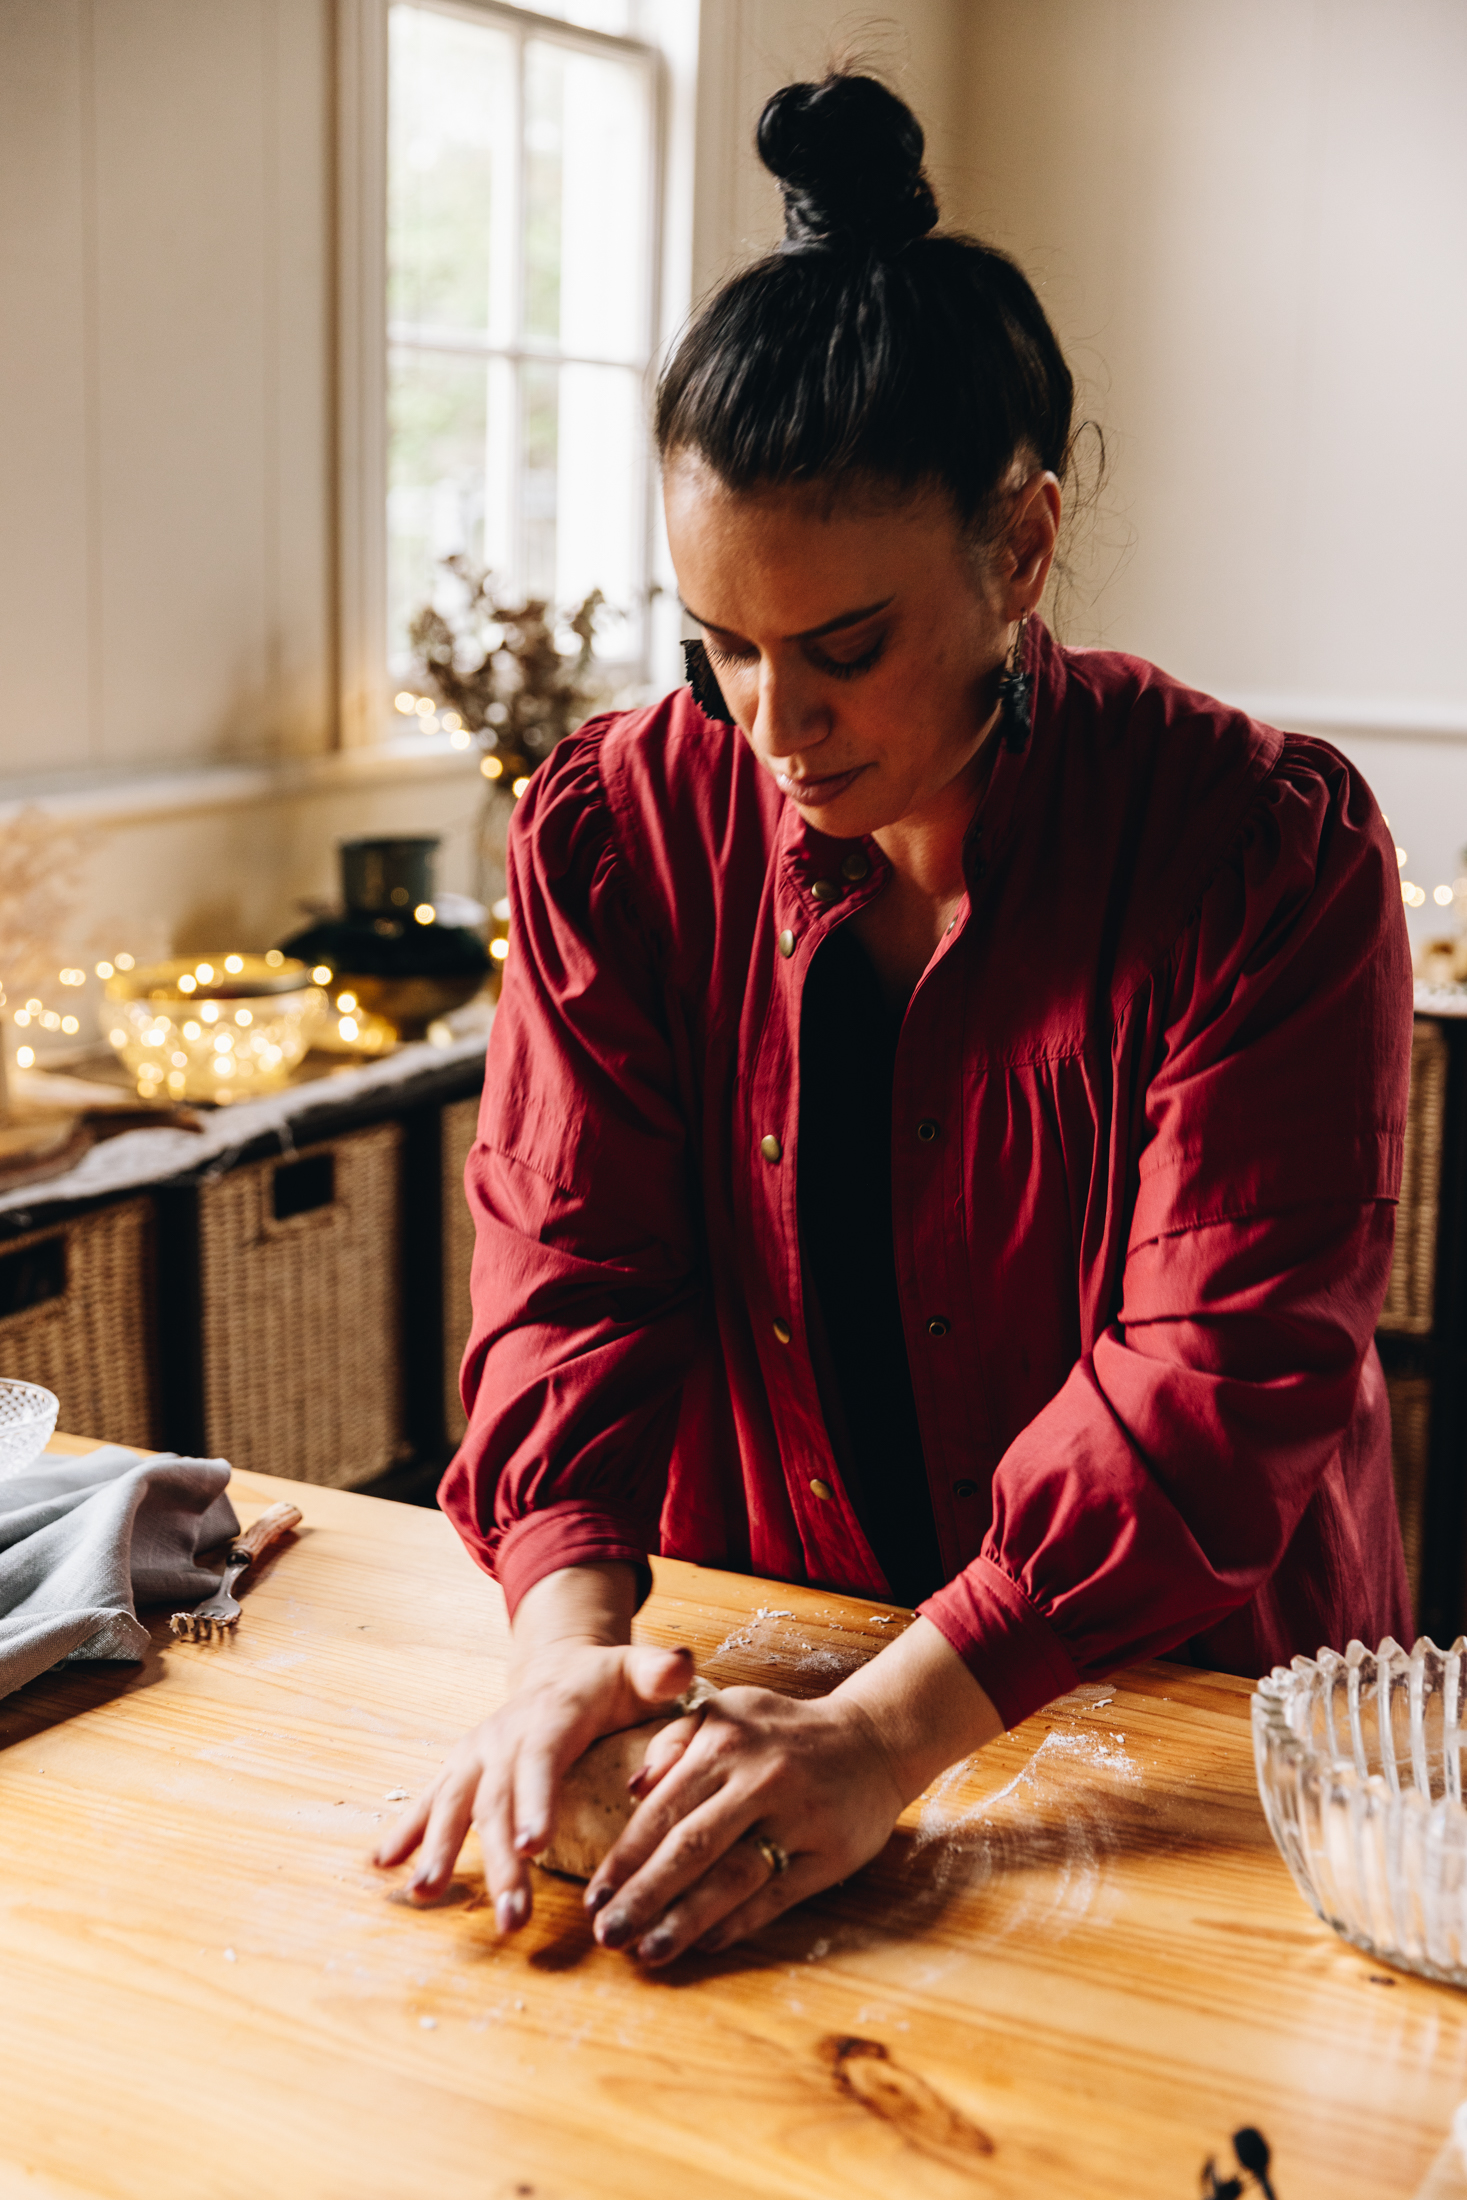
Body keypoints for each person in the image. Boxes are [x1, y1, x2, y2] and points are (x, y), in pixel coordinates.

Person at [376, 72, 1413, 1966]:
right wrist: (560, 1660)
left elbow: (1217, 1379)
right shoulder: (616, 828)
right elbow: (573, 1278)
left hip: (1178, 1721)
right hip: (781, 1660)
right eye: (719, 645)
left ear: (1018, 549)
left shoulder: (1258, 852)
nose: (775, 727)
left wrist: (886, 1733)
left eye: (845, 647)